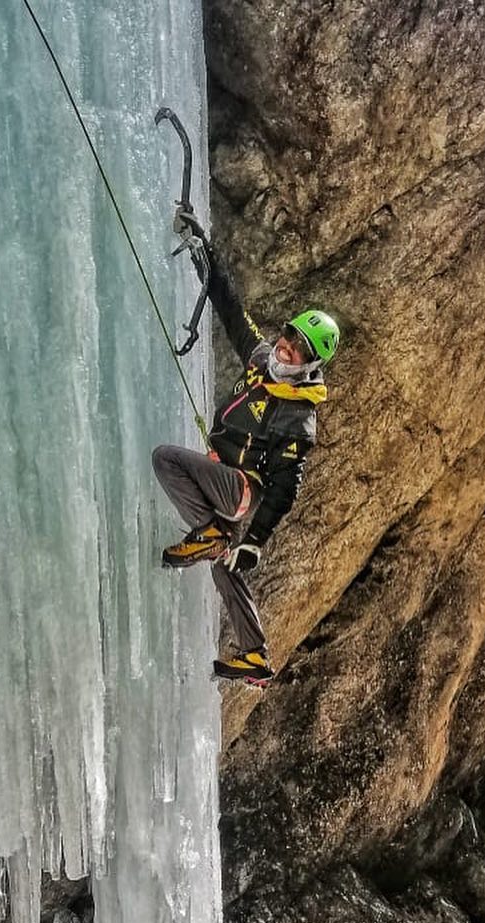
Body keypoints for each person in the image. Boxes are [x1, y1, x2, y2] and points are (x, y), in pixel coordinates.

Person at [151, 209, 340, 687]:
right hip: (225, 479)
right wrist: (205, 255)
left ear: (309, 363)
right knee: (223, 568)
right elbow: (233, 311)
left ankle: (213, 531)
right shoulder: (261, 359)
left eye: (294, 350)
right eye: (286, 337)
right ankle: (254, 654)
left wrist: (254, 541)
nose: (283, 349)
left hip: (241, 490)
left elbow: (285, 490)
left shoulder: (299, 420)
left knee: (166, 460)